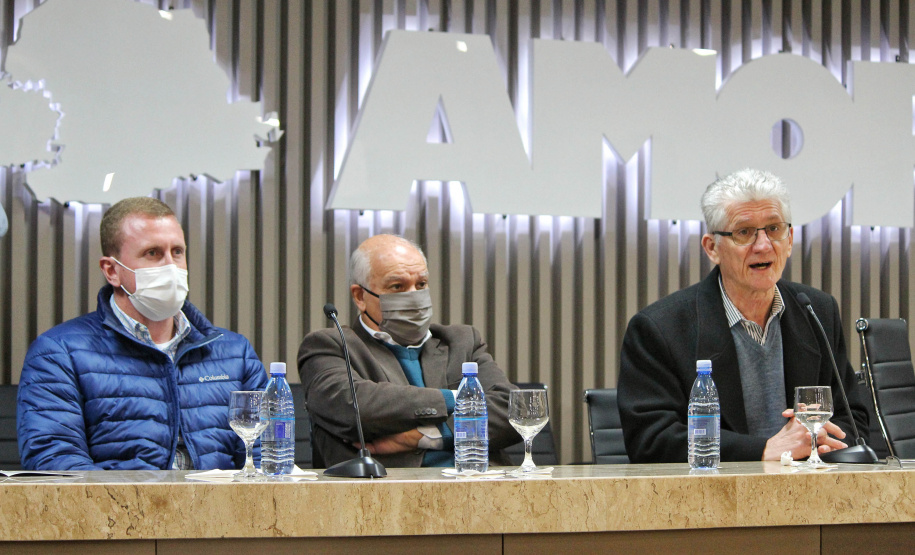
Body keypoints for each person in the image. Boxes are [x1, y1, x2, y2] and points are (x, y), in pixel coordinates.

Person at [618, 168, 869, 463]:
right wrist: (764, 450)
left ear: (789, 239)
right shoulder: (660, 328)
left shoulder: (816, 311)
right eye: (744, 232)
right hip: (712, 490)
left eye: (774, 229)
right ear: (712, 248)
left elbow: (852, 418)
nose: (763, 245)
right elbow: (651, 439)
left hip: (807, 487)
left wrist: (818, 442)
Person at [17, 197, 268, 470]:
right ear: (112, 271)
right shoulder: (58, 353)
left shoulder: (234, 353)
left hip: (219, 499)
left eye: (177, 252)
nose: (171, 266)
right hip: (115, 499)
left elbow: (266, 459)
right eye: (153, 253)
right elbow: (56, 462)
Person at [298, 234, 517, 468]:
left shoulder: (461, 341)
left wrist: (427, 436)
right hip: (387, 487)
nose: (414, 295)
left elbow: (511, 410)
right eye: (397, 286)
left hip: (481, 482)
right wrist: (458, 399)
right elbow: (353, 406)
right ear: (360, 296)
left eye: (421, 284)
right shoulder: (329, 345)